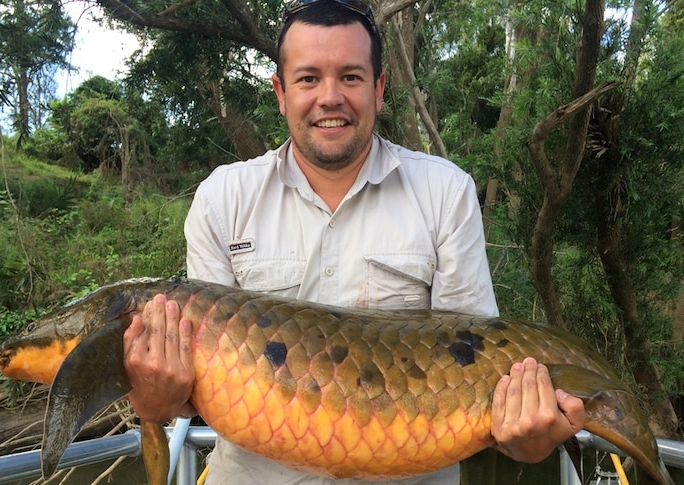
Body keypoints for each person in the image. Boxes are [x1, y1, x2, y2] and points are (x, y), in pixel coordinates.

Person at [122, 0, 586, 483]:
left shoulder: (446, 193)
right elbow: (197, 380)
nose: (330, 97)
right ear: (280, 92)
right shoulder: (223, 198)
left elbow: (481, 372)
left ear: (379, 87)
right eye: (307, 79)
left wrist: (529, 438)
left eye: (350, 77)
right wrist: (156, 400)